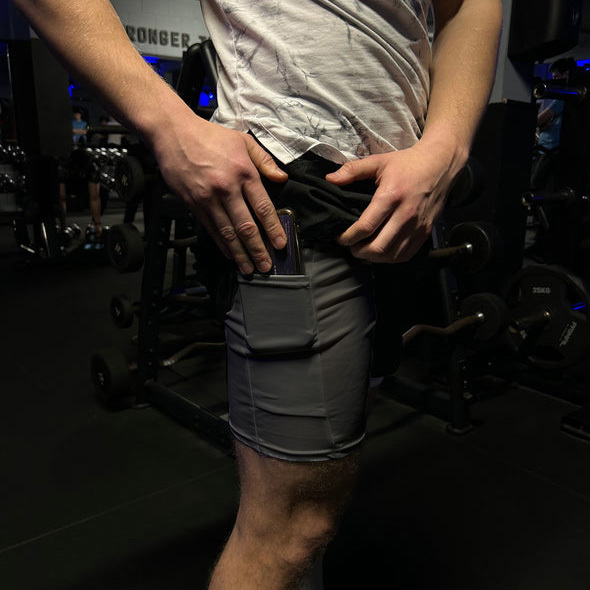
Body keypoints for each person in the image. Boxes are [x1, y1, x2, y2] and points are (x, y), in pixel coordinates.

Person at [14, 1, 502, 588]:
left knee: (321, 494)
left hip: (398, 193)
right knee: (290, 526)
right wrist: (167, 125)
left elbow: (469, 6)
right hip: (288, 186)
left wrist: (445, 149)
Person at [531, 57, 577, 191]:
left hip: (549, 151)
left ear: (566, 74)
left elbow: (539, 120)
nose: (555, 81)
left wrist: (543, 123)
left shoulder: (562, 99)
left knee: (535, 186)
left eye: (557, 77)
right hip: (549, 149)